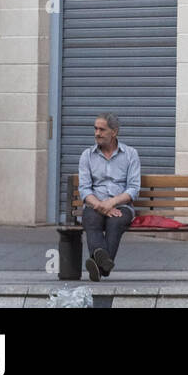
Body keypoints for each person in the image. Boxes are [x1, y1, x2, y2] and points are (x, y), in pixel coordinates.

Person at [78, 113, 141, 281]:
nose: (97, 133)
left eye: (102, 129)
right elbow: (84, 189)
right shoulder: (87, 155)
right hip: (94, 204)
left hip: (121, 205)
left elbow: (134, 189)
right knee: (91, 220)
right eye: (95, 129)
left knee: (116, 221)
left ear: (114, 132)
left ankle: (99, 261)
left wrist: (112, 202)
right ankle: (103, 268)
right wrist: (99, 205)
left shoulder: (130, 154)